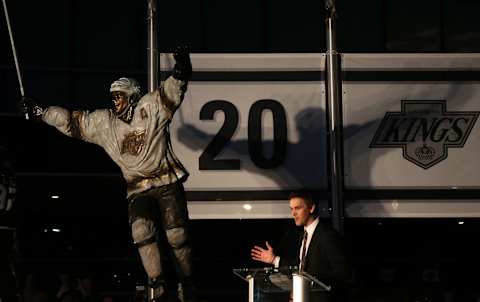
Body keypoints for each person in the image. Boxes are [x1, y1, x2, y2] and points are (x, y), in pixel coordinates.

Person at [20, 46, 197, 302]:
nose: (114, 101)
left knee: (176, 234)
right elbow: (70, 121)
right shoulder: (106, 124)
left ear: (132, 96)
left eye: (119, 96)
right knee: (140, 231)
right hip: (137, 186)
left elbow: (173, 90)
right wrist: (40, 113)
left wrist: (181, 68)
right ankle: (157, 283)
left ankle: (186, 281)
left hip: (165, 179)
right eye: (112, 96)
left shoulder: (150, 107)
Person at [251, 191, 351, 302]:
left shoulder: (327, 236)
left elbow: (343, 274)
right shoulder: (302, 236)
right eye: (291, 209)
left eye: (297, 208)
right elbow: (300, 268)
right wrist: (274, 259)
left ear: (311, 208)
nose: (293, 213)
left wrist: (312, 281)